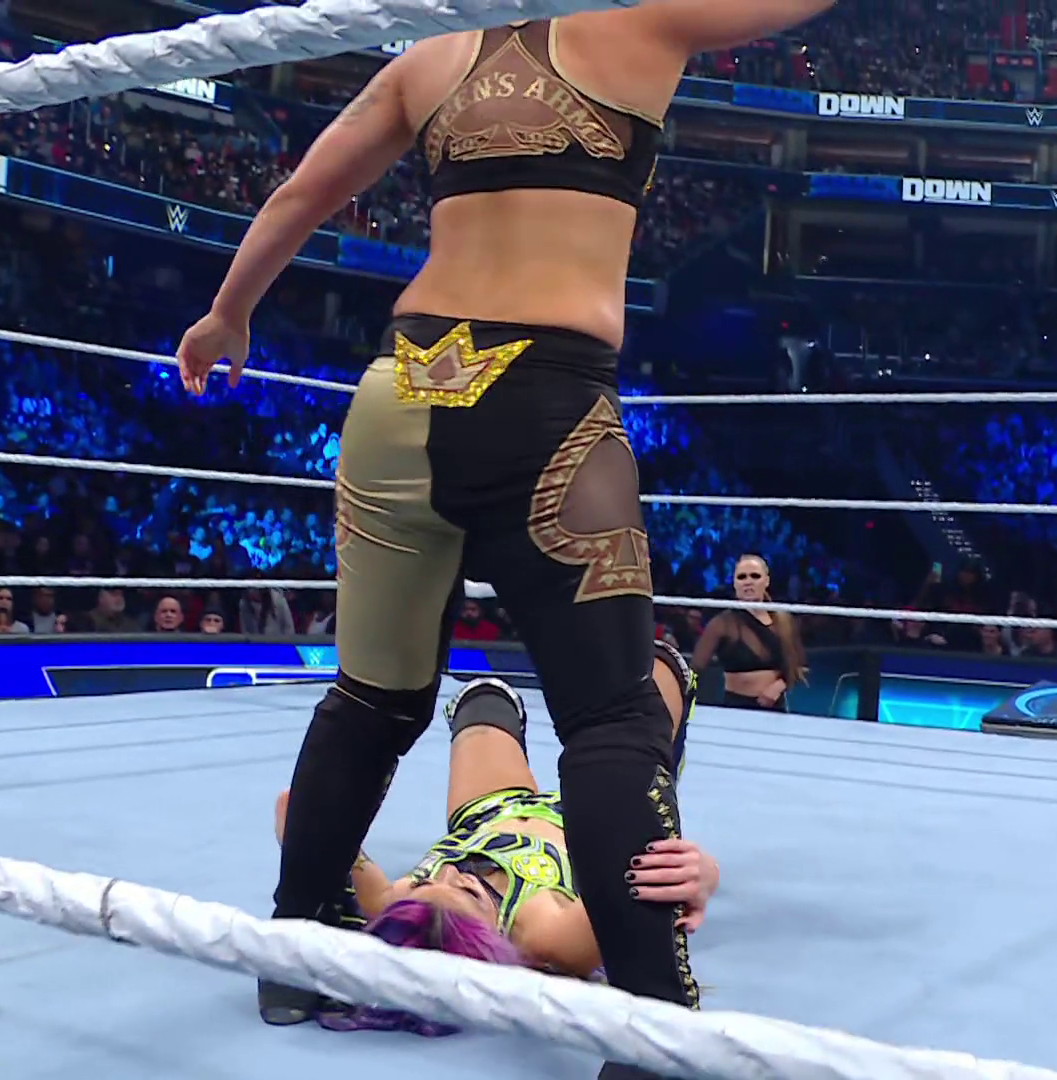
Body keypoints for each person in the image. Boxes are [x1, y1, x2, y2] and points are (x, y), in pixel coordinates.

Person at [174, 3, 837, 1066]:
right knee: (613, 719)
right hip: (545, 400)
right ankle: (652, 1023)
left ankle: (295, 955)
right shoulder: (638, 28)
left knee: (373, 698)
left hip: (399, 391)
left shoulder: (426, 57)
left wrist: (228, 314)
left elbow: (302, 192)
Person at [283, 650, 712, 1037]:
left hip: (487, 811)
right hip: (595, 819)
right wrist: (700, 875)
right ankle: (661, 758)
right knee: (644, 673)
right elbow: (647, 887)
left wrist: (338, 892)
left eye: (425, 882)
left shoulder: (396, 907)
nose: (451, 873)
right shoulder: (547, 936)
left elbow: (292, 810)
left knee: (483, 698)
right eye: (468, 893)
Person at [690, 554, 805, 711]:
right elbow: (695, 668)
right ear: (734, 583)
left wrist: (778, 687)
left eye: (755, 576)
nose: (748, 582)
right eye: (742, 577)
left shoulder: (784, 620)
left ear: (766, 581)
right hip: (736, 707)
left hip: (776, 707)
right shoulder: (722, 623)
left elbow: (798, 665)